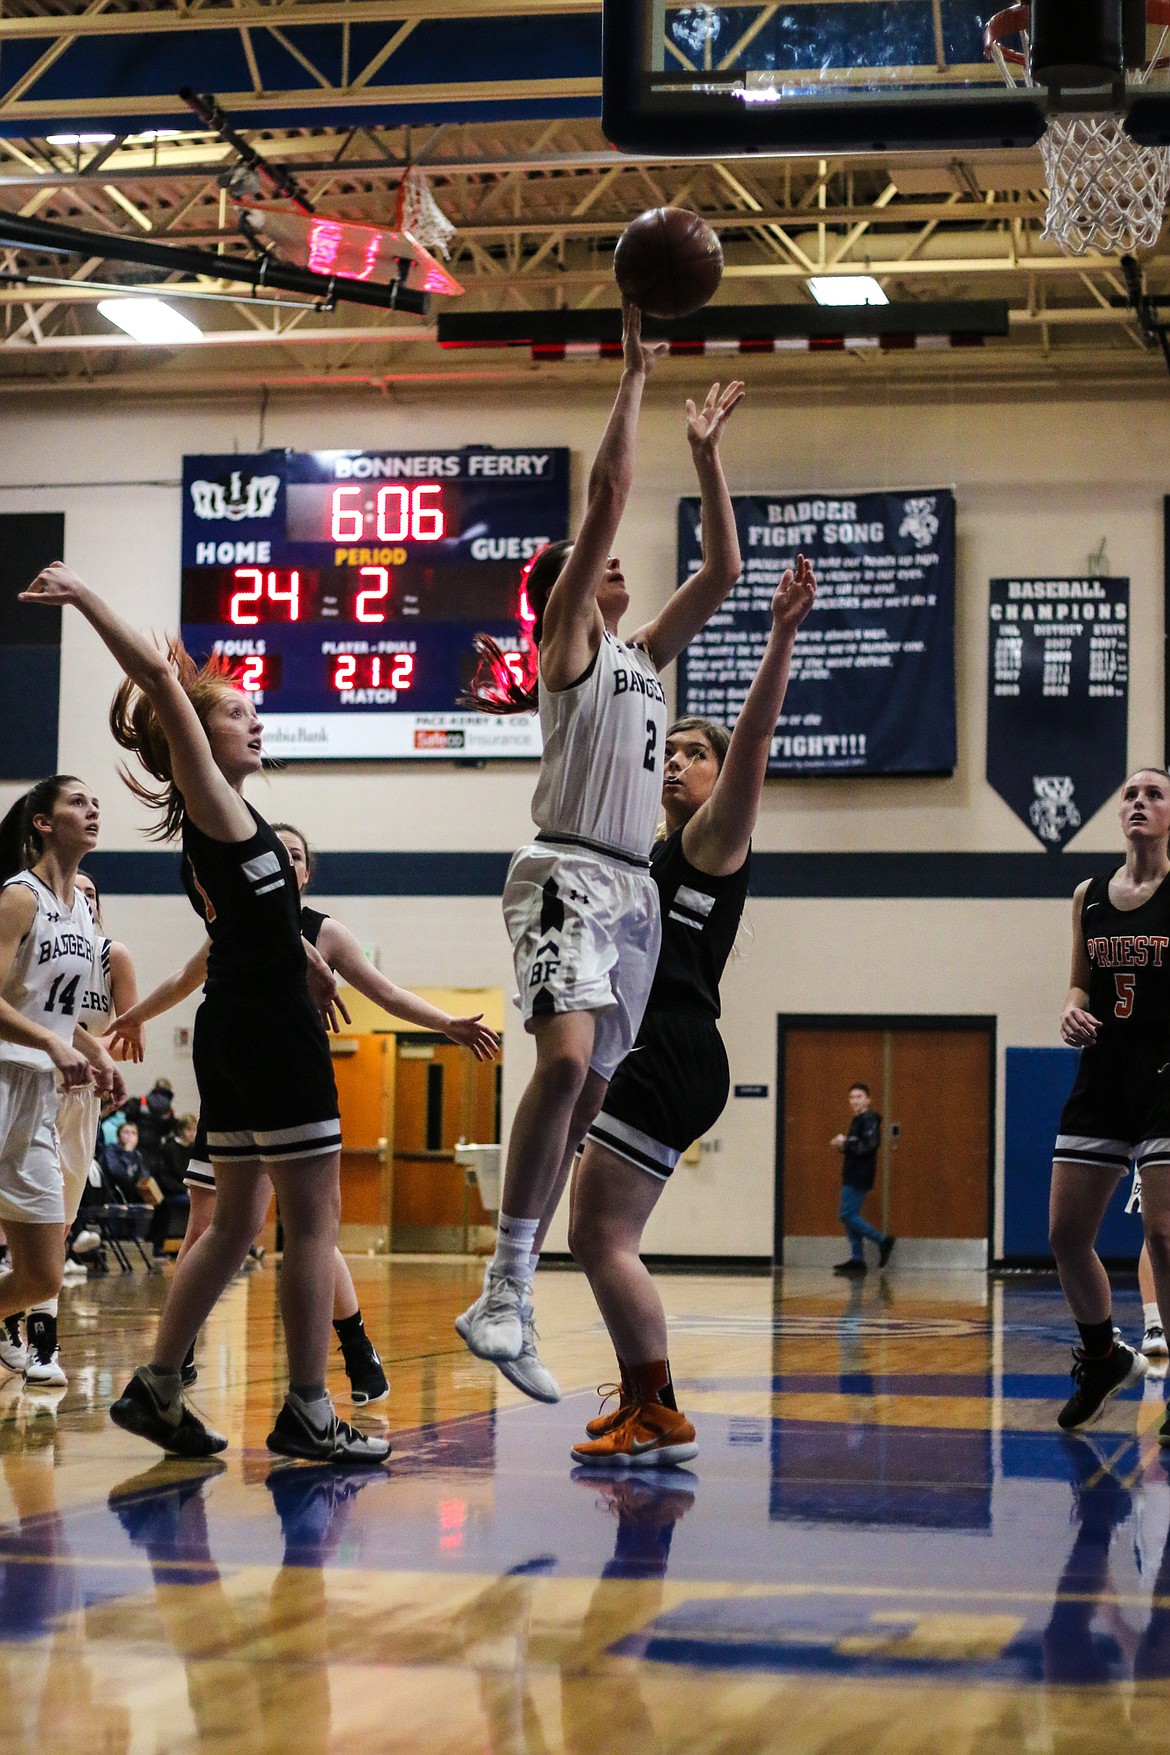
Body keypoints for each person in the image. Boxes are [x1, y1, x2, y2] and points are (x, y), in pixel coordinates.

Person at [19, 561, 387, 1467]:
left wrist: (309, 962)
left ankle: (157, 1386)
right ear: (194, 736)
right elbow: (155, 681)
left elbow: (253, 926)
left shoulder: (237, 826)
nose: (253, 719)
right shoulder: (213, 803)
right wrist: (85, 596)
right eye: (236, 711)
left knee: (233, 1223)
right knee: (314, 1221)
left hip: (242, 1029)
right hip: (263, 1035)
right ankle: (308, 1405)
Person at [455, 301, 746, 1382]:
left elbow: (720, 570)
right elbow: (608, 492)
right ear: (561, 597)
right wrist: (633, 375)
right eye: (592, 559)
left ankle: (511, 1300)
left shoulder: (645, 659)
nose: (613, 561)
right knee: (567, 1059)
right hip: (569, 868)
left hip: (632, 897)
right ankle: (504, 1286)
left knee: (588, 1091)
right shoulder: (571, 639)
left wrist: (707, 458)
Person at [563, 560, 816, 1466]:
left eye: (691, 754)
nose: (675, 762)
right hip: (652, 1049)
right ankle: (647, 1402)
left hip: (669, 1049)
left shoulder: (713, 842)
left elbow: (752, 747)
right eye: (667, 752)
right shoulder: (655, 850)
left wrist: (780, 635)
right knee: (594, 1235)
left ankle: (660, 1409)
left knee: (600, 1236)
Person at [107, 821, 500, 1403]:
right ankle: (176, 1356)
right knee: (212, 1224)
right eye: (277, 855)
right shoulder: (233, 926)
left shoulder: (326, 932)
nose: (285, 864)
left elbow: (384, 993)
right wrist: (137, 1013)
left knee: (308, 1231)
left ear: (306, 872)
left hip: (287, 1078)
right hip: (233, 1080)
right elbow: (181, 981)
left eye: (294, 856)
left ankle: (354, 1351)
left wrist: (445, 1023)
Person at [1047, 768, 1170, 1432]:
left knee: (1163, 1232)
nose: (1139, 803)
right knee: (1066, 1234)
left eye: (1154, 794)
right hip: (1102, 1076)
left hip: (1164, 1078)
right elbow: (1078, 985)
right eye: (1129, 794)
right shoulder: (1088, 894)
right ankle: (1103, 1356)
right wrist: (1070, 1012)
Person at [0, 777, 124, 1371]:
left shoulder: (81, 910)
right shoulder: (19, 897)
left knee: (41, 1273)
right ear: (42, 823)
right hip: (2, 1077)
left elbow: (52, 1010)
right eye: (78, 802)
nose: (93, 809)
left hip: (39, 1096)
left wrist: (95, 1054)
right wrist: (53, 1041)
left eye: (95, 803)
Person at [830, 1084, 894, 1277]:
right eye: (851, 1097)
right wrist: (843, 1146)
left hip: (860, 1174)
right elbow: (856, 1147)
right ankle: (857, 1259)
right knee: (851, 1216)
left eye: (859, 1097)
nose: (855, 1101)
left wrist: (846, 1142)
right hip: (852, 1172)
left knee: (846, 1214)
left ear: (868, 1099)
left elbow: (870, 1145)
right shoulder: (858, 1119)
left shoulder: (869, 1119)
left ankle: (882, 1241)